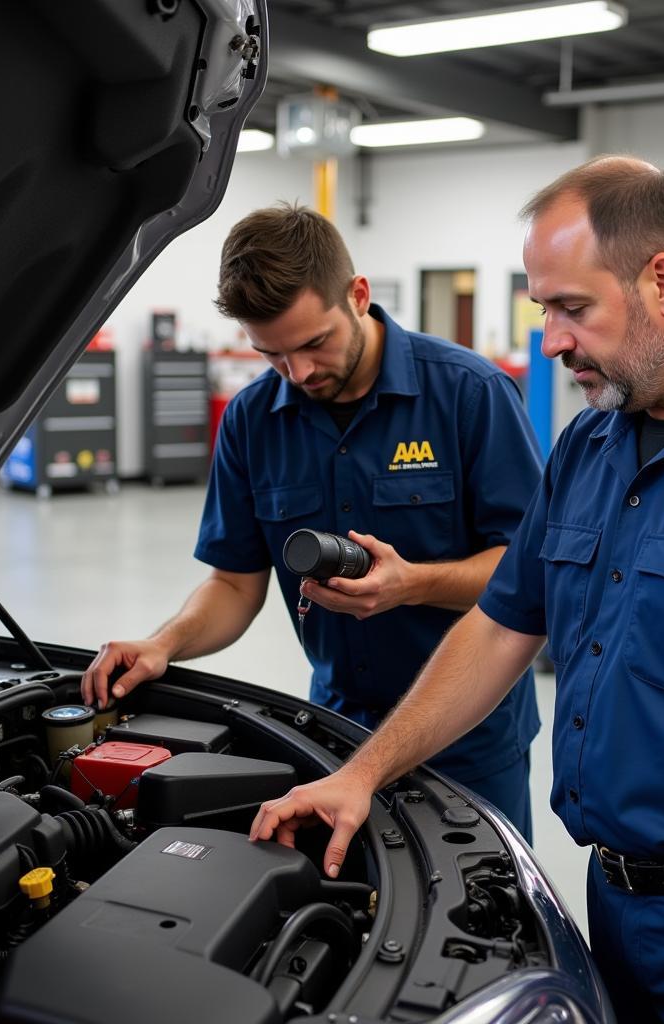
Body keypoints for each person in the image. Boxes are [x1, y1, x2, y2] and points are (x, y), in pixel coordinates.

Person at [250, 159, 664, 1024]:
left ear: (662, 281)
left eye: (572, 308)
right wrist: (365, 772)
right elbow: (502, 627)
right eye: (545, 310)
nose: (552, 340)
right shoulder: (591, 446)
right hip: (615, 908)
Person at [81, 203, 542, 839]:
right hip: (335, 732)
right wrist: (165, 643)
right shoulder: (251, 420)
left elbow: (527, 571)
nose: (298, 374)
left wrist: (414, 585)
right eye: (271, 355)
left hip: (466, 738)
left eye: (313, 343)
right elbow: (234, 586)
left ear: (358, 296)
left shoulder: (470, 395)